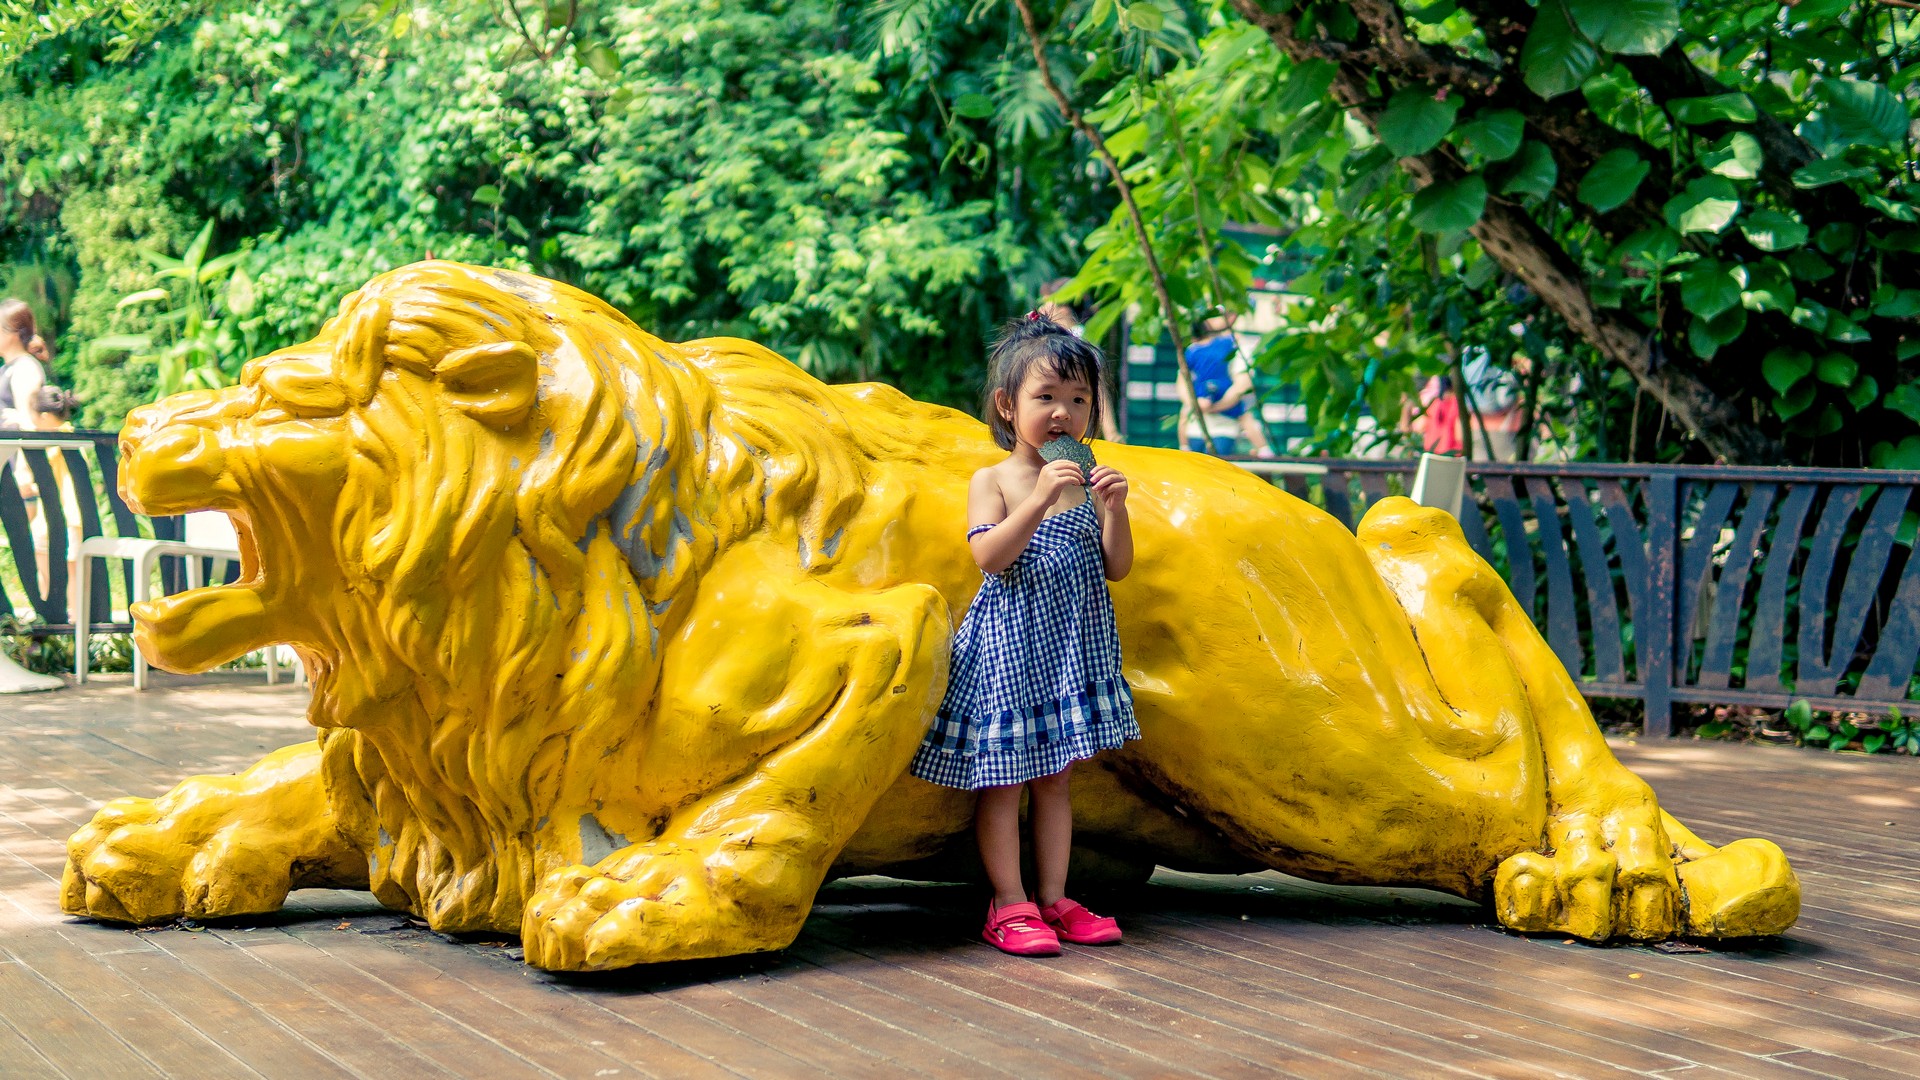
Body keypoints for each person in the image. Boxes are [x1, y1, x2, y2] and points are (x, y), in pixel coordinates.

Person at [910, 312, 1139, 957]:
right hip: (1009, 651)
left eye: (1078, 400)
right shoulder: (996, 481)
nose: (1063, 412)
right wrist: (1037, 499)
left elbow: (1116, 567)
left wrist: (1115, 511)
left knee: (1057, 780)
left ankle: (1056, 897)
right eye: (1046, 398)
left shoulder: (1092, 485)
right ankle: (1008, 903)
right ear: (1008, 407)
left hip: (1071, 650)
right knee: (1003, 783)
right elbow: (990, 558)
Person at [1182, 313, 1275, 458]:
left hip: (1213, 408)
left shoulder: (1193, 350)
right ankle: (1264, 449)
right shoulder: (1227, 343)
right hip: (1218, 396)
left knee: (1185, 417)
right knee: (1244, 417)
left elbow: (1242, 385)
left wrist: (1204, 406)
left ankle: (1183, 447)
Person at [0, 300, 48, 432]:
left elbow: (30, 424)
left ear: (12, 333)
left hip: (18, 451)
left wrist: (21, 419)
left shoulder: (24, 368)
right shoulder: (6, 369)